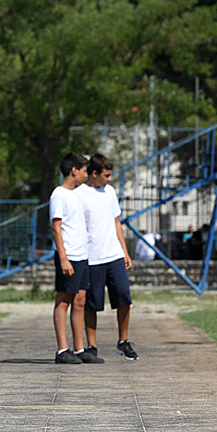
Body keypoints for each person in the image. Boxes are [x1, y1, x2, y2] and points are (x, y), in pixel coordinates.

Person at [76, 154, 138, 361]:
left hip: (114, 255)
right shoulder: (80, 194)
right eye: (107, 175)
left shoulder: (110, 192)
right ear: (95, 174)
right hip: (92, 257)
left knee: (123, 297)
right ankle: (92, 345)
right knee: (92, 304)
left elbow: (116, 222)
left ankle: (123, 341)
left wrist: (125, 251)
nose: (110, 179)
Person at [49, 153, 98, 364]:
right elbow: (56, 228)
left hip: (82, 255)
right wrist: (63, 258)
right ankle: (62, 349)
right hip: (68, 255)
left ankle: (79, 348)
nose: (85, 175)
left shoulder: (76, 195)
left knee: (80, 300)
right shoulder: (58, 194)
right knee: (64, 300)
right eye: (84, 170)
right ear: (74, 170)